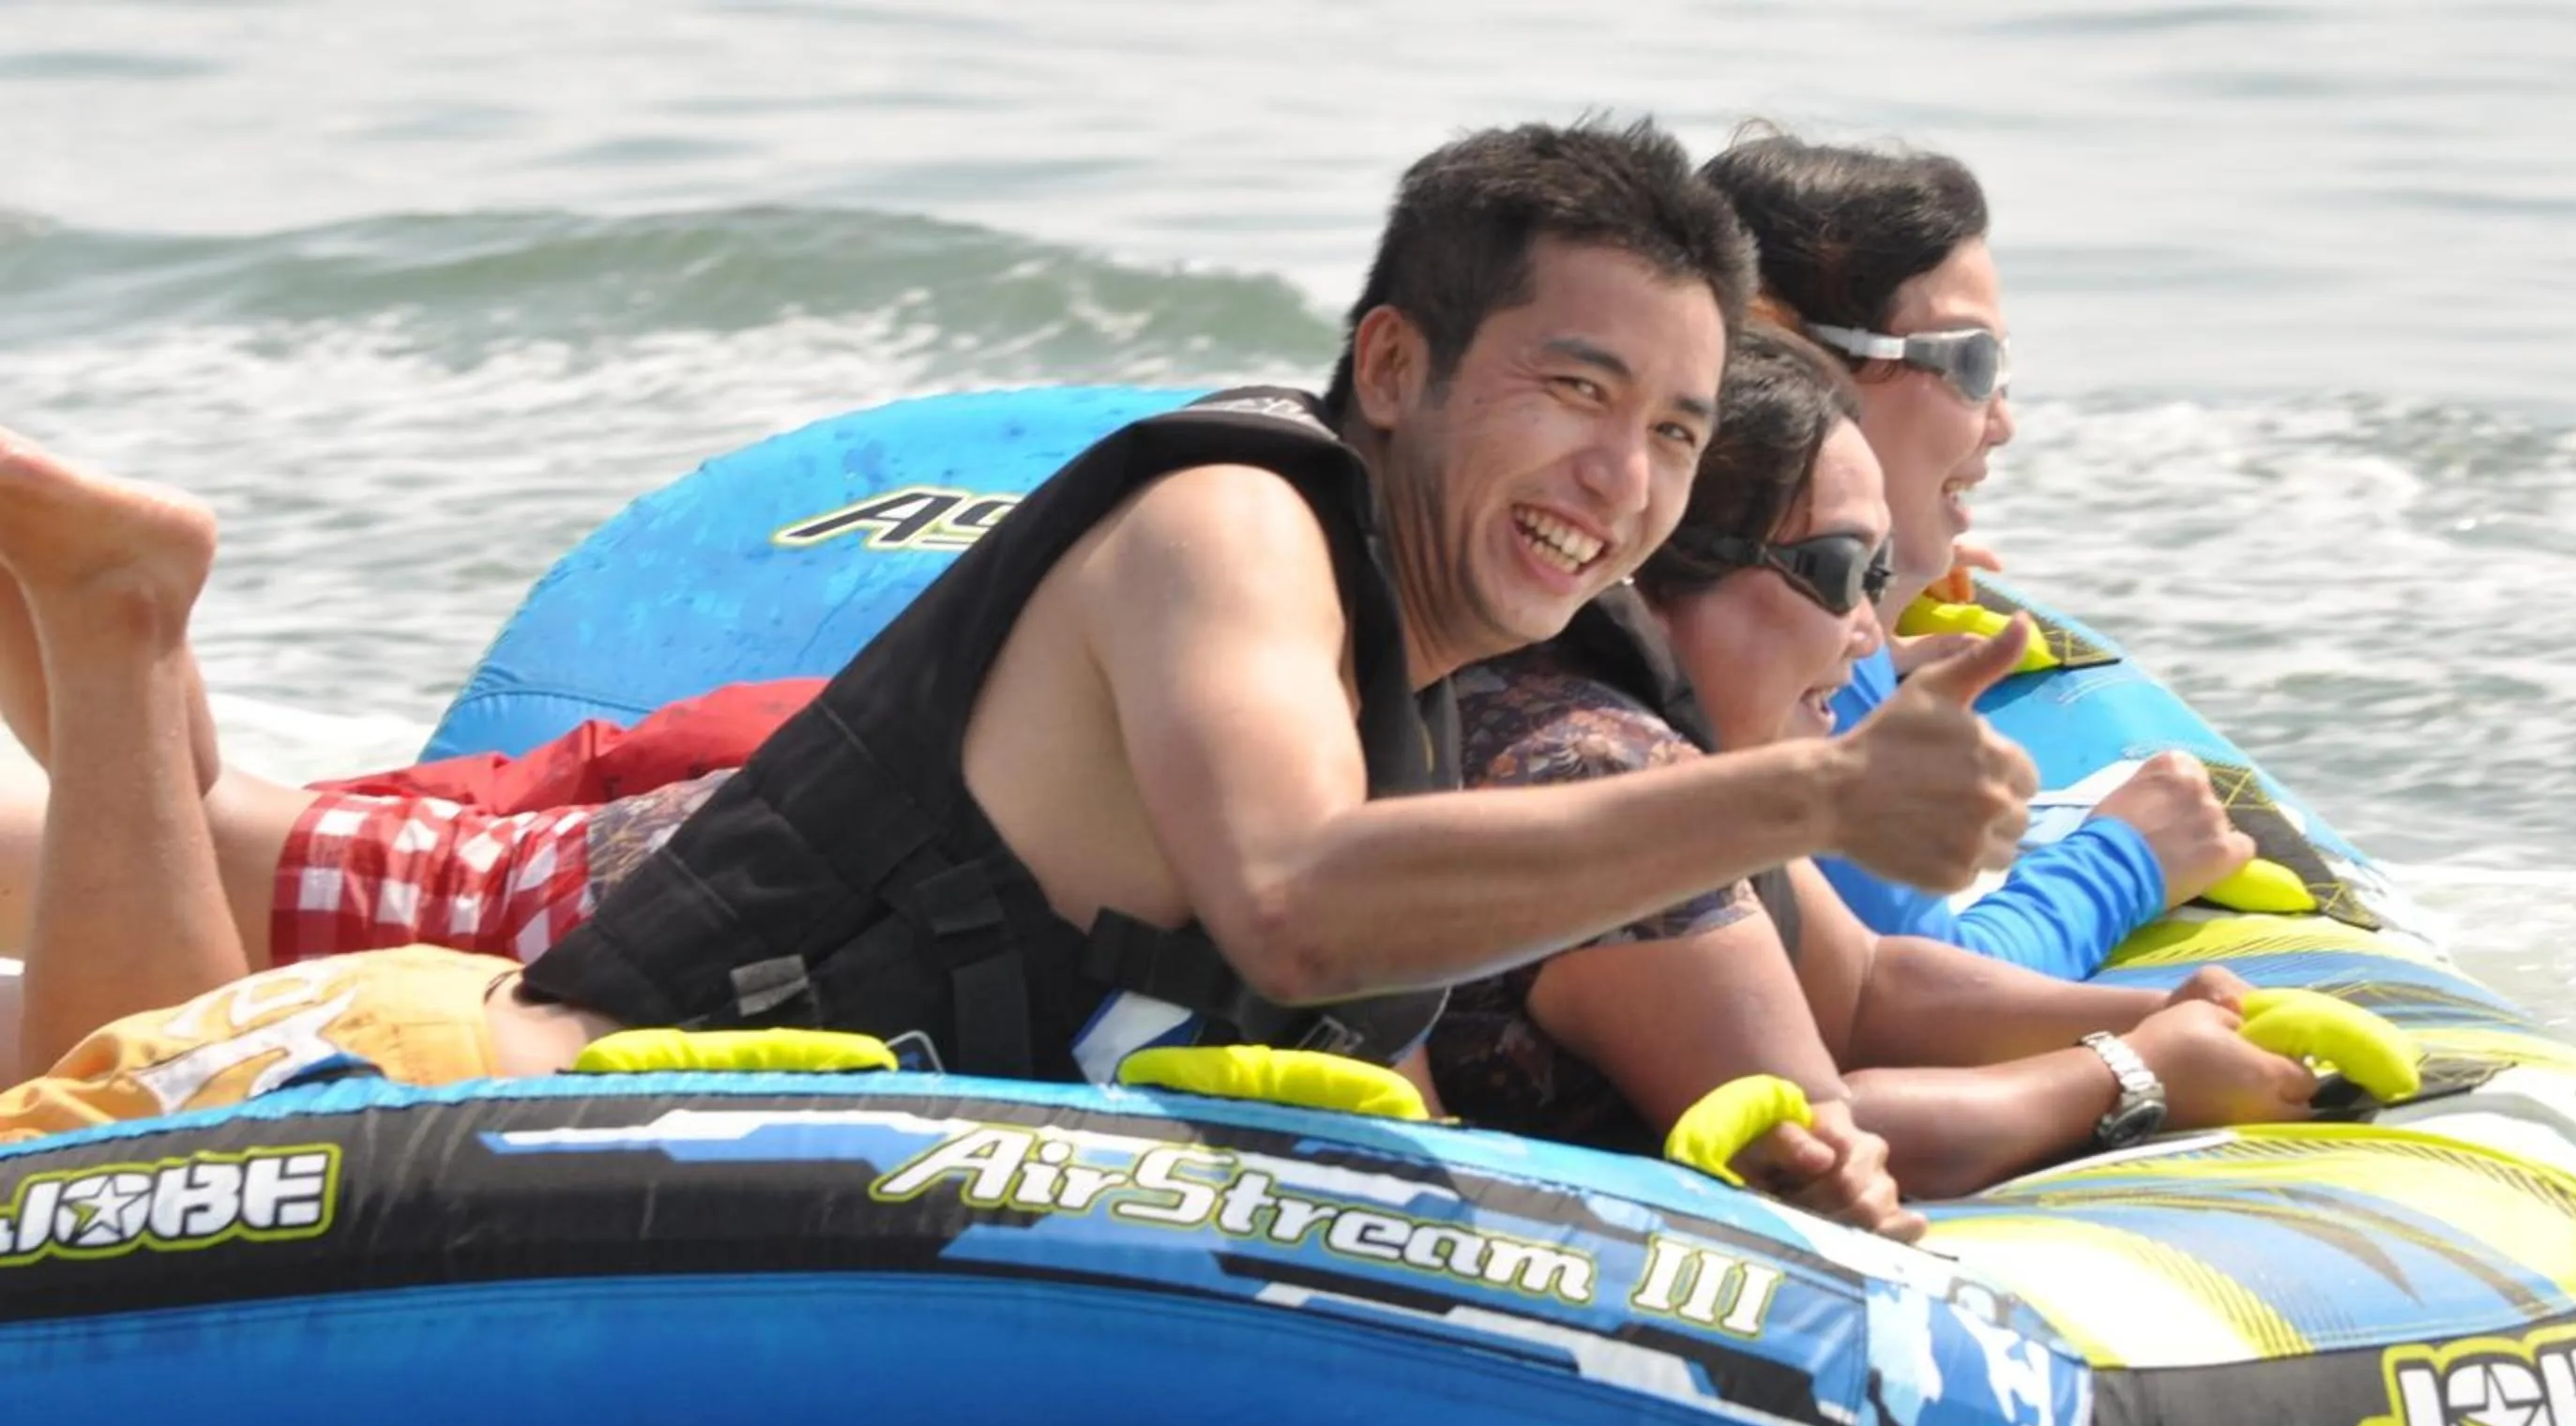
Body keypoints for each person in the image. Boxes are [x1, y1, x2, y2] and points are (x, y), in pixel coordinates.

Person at [0, 120, 2049, 1233]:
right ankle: (114, 627)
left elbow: (1345, 1078)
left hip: (742, 1180)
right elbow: (1291, 894)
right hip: (469, 1107)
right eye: (1576, 392)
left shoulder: (1413, 688)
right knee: (83, 1136)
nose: (1622, 483)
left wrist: (1709, 1175)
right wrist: (1804, 801)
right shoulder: (1238, 527)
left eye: (1678, 437)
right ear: (1398, 371)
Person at [1426, 325, 2315, 1200]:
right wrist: (2134, 1074)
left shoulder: (1686, 752)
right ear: (1653, 573)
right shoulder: (1598, 772)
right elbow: (1828, 1140)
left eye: (1880, 573)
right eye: (1839, 570)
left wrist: (2171, 1014)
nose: (1868, 633)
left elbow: (1863, 993)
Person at [1702, 133, 2256, 981]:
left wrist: (1884, 615)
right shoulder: (1765, 648)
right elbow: (1917, 982)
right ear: (1793, 361)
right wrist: (2126, 859)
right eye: (1969, 363)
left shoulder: (1715, 598)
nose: (2001, 420)